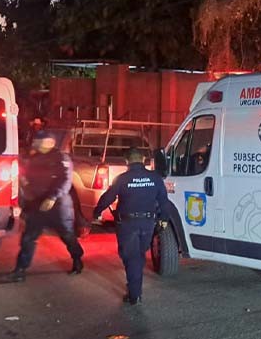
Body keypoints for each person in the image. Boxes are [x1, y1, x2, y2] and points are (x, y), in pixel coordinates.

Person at [94, 147, 172, 305]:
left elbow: (108, 197)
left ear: (127, 161)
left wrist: (97, 212)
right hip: (147, 223)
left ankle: (134, 294)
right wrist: (164, 218)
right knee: (138, 256)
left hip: (127, 224)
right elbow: (164, 200)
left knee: (131, 258)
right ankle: (134, 286)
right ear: (143, 160)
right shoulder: (155, 178)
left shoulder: (122, 179)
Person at [9, 131, 84, 282]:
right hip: (37, 204)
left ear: (49, 142)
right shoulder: (33, 158)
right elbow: (27, 177)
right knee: (28, 237)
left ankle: (77, 258)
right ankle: (20, 269)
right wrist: (25, 188)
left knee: (67, 235)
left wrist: (53, 197)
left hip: (58, 205)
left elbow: (66, 180)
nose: (34, 143)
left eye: (38, 141)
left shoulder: (61, 158)